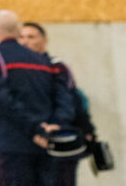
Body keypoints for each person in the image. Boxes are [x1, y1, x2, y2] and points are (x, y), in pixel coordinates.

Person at [0, 11, 72, 186]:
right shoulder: (44, 61)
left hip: (14, 145)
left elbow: (4, 100)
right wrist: (50, 128)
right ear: (17, 32)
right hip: (46, 143)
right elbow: (62, 99)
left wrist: (35, 128)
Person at [19, 21, 96, 186]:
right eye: (21, 37)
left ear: (44, 40)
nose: (25, 41)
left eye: (31, 37)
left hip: (57, 141)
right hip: (27, 145)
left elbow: (66, 102)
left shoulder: (56, 66)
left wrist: (51, 129)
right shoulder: (18, 72)